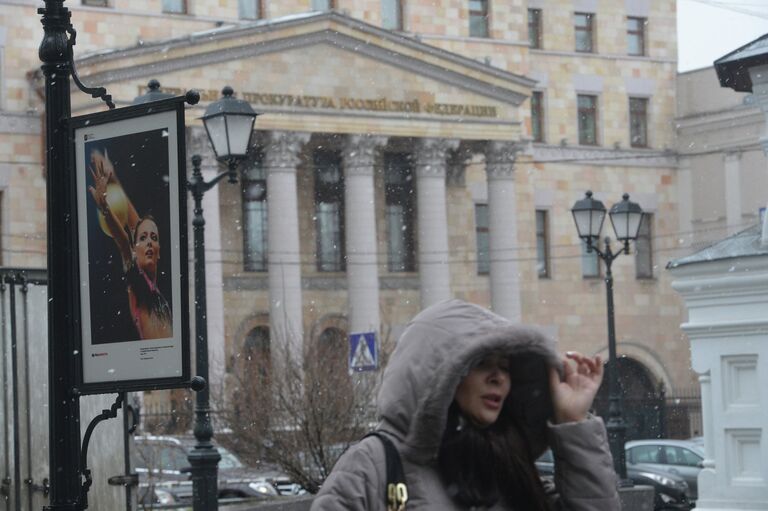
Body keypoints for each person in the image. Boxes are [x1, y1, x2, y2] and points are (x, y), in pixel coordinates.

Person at [311, 299, 620, 510]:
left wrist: (572, 421)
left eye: (506, 367)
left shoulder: (509, 467)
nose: (499, 378)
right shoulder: (375, 464)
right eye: (483, 363)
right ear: (440, 373)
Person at [88, 148, 172, 340]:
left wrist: (113, 179)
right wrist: (105, 208)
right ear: (135, 251)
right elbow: (124, 241)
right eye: (143, 239)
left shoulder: (154, 288)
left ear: (159, 251)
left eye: (154, 238)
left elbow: (139, 227)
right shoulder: (137, 281)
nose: (149, 242)